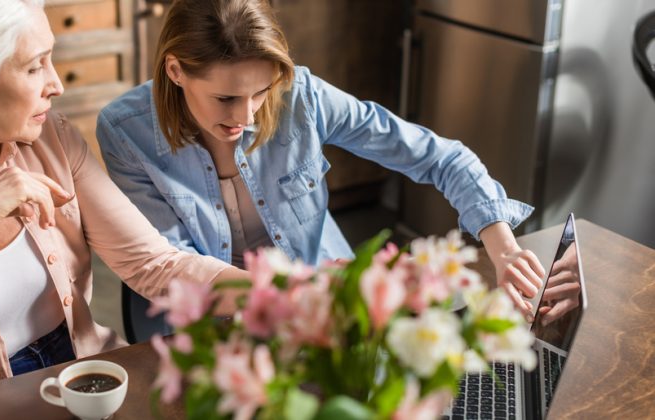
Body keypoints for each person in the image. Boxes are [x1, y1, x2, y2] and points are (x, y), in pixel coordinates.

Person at [0, 0, 247, 417]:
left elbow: (154, 264)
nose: (56, 84)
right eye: (35, 66)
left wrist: (273, 296)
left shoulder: (51, 137)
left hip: (77, 384)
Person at [96, 0, 546, 317]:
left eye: (260, 92)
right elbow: (173, 262)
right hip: (213, 313)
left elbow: (439, 158)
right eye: (226, 97)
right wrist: (291, 293)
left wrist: (503, 247)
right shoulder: (125, 131)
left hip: (321, 301)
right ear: (175, 71)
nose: (246, 115)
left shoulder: (302, 97)